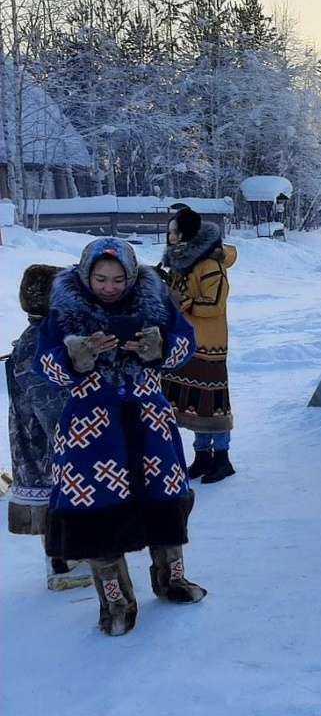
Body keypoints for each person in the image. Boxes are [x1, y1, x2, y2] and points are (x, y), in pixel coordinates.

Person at [37, 237, 206, 637]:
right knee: (97, 514)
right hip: (91, 430)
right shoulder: (64, 313)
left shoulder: (155, 301)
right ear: (86, 275)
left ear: (131, 275)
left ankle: (172, 579)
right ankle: (115, 600)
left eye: (117, 278)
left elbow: (186, 343)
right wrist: (78, 356)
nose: (110, 287)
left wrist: (158, 348)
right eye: (101, 278)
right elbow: (47, 365)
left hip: (149, 420)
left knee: (164, 503)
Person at [5, 264, 90, 590]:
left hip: (42, 439)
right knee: (56, 500)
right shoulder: (38, 343)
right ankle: (63, 566)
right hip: (45, 443)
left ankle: (66, 557)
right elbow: (51, 406)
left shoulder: (44, 334)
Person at [160, 205, 237, 483]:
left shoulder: (209, 264)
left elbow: (214, 305)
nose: (169, 237)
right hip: (187, 344)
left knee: (213, 405)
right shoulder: (183, 263)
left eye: (173, 232)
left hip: (210, 346)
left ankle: (222, 458)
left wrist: (182, 303)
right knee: (193, 407)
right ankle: (202, 456)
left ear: (186, 234)